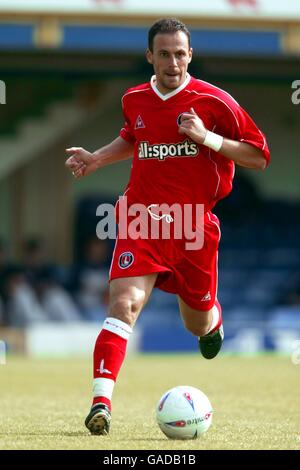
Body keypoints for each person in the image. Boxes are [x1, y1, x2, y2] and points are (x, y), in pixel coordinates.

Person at [65, 18, 270, 435]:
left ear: (190, 55)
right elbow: (133, 135)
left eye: (180, 53)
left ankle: (212, 321)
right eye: (164, 54)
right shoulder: (135, 98)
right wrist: (96, 159)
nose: (173, 62)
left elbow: (258, 155)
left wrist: (207, 138)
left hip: (194, 227)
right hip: (142, 220)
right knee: (124, 304)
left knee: (195, 322)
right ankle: (101, 403)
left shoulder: (216, 102)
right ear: (150, 57)